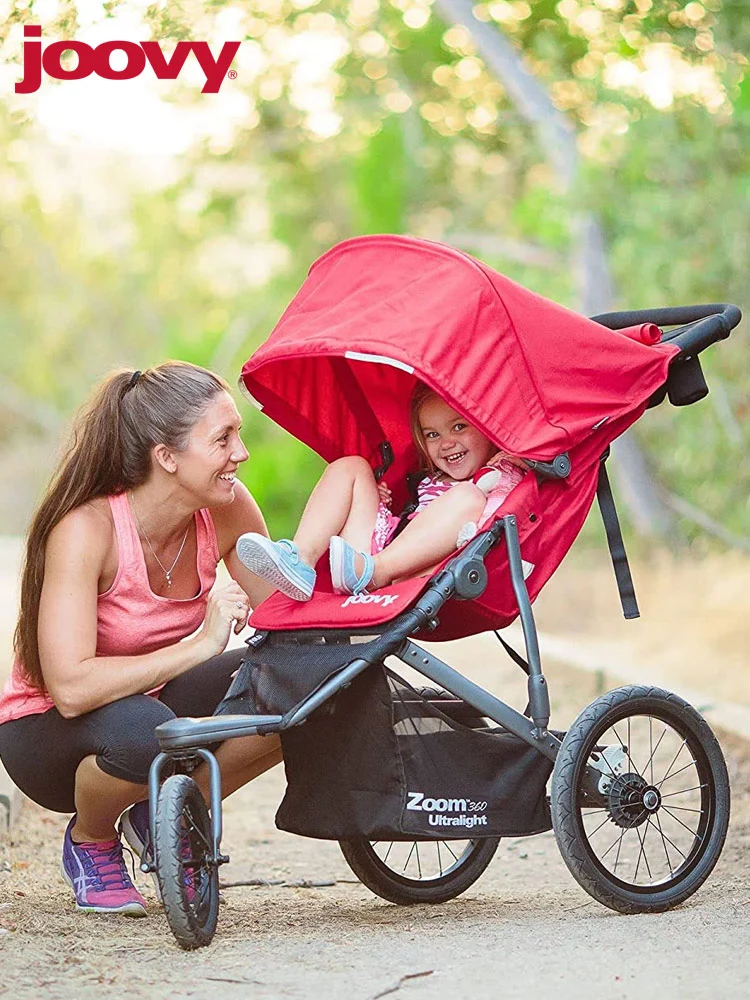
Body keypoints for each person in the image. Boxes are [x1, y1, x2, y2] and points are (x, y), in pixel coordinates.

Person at [0, 362, 278, 917]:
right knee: (148, 734)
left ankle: (170, 816)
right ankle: (93, 838)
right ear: (167, 456)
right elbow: (71, 688)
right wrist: (199, 646)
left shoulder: (227, 508)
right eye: (223, 438)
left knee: (298, 684)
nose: (242, 453)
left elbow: (286, 616)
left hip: (151, 704)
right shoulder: (87, 528)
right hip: (47, 731)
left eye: (239, 435)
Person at [236, 383, 525, 600]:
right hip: (369, 556)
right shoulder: (428, 479)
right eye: (432, 435)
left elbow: (500, 513)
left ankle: (374, 572)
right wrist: (377, 501)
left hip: (418, 571)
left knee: (469, 496)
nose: (446, 443)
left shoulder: (499, 475)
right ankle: (301, 559)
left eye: (459, 427)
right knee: (351, 466)